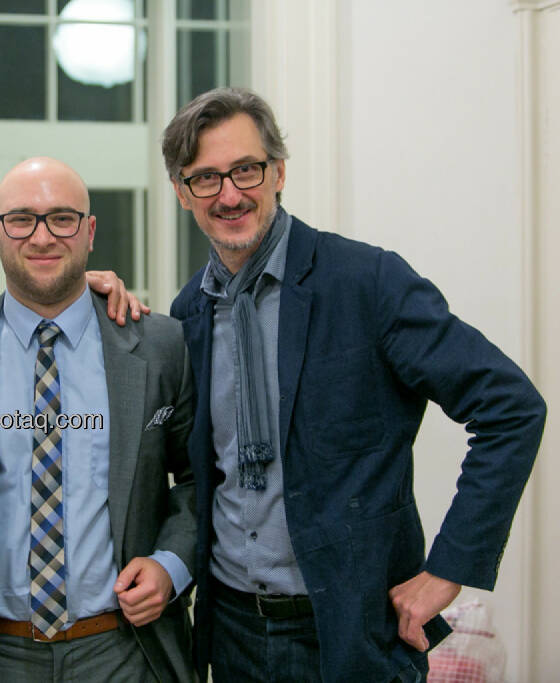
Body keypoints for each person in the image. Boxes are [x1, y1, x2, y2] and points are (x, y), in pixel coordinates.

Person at [163, 87, 547, 682]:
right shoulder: (189, 312)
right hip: (232, 632)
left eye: (246, 169)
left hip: (350, 631)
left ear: (279, 171)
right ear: (183, 194)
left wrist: (448, 569)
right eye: (206, 179)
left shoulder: (367, 282)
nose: (230, 194)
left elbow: (511, 408)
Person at [0, 157, 196, 682]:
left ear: (89, 231)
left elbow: (199, 481)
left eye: (62, 219)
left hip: (121, 650)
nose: (42, 237)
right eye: (22, 219)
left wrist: (172, 564)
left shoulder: (161, 347)